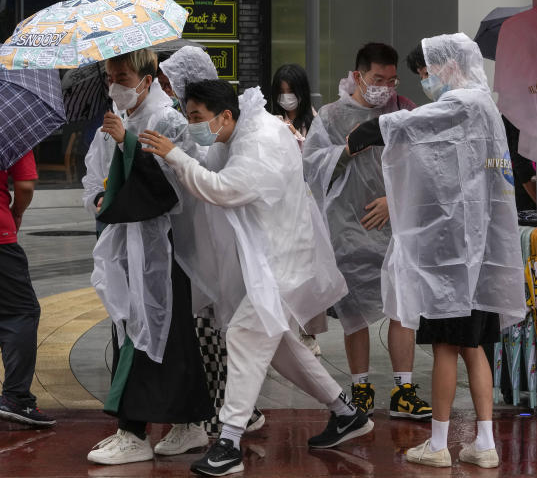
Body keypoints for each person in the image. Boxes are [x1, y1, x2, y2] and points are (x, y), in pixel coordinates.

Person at [139, 80, 371, 476]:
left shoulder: (259, 142)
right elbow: (212, 166)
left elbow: (222, 188)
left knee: (245, 334)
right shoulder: (242, 130)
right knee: (279, 345)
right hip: (272, 254)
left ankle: (228, 442)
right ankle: (346, 412)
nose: (193, 124)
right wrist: (181, 152)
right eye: (189, 115)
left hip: (283, 259)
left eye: (197, 118)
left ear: (225, 115)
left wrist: (176, 155)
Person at [345, 34, 527, 468]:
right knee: (475, 348)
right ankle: (484, 443)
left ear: (447, 67)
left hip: (452, 258)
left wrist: (370, 131)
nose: (425, 81)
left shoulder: (462, 103)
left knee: (446, 347)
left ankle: (440, 444)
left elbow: (411, 126)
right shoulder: (484, 106)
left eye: (426, 72)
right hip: (478, 256)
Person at [80, 49, 213, 465]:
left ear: (147, 77)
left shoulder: (168, 120)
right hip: (124, 246)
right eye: (110, 77)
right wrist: (100, 196)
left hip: (161, 246)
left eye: (122, 76)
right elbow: (94, 178)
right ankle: (188, 421)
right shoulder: (110, 124)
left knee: (159, 333)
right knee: (135, 330)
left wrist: (129, 143)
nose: (115, 85)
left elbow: (177, 184)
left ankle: (134, 429)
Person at [302, 42, 429, 419]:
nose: (385, 88)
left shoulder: (404, 111)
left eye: (391, 80)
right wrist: (347, 149)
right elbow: (310, 168)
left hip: (396, 225)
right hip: (347, 226)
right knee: (354, 311)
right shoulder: (330, 115)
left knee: (401, 307)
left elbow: (424, 166)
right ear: (358, 76)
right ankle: (360, 390)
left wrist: (396, 201)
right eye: (377, 79)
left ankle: (404, 389)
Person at [158, 47, 268, 439]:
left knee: (221, 324)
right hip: (203, 234)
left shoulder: (212, 130)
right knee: (209, 324)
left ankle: (231, 412)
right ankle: (231, 407)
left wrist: (176, 156)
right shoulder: (195, 123)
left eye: (171, 80)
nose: (165, 87)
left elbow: (211, 180)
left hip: (217, 237)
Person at [0, 150, 55, 428]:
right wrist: (16, 213)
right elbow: (24, 185)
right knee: (20, 312)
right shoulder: (13, 123)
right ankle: (16, 397)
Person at [270, 63, 316, 143]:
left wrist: (294, 133)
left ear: (302, 91)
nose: (286, 96)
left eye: (291, 91)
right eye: (281, 91)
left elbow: (314, 152)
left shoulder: (315, 122)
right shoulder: (273, 120)